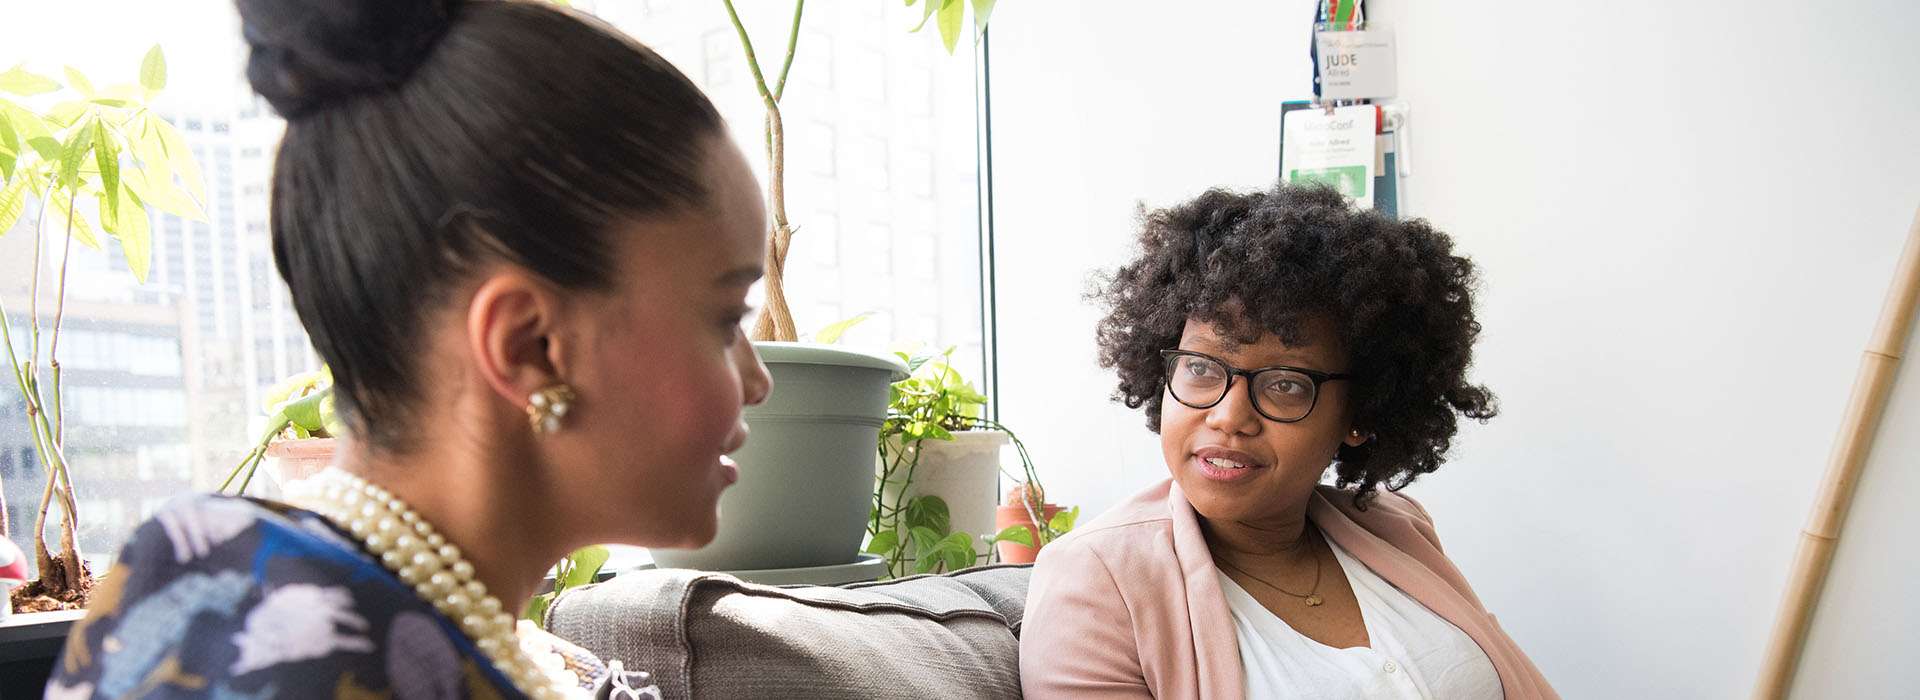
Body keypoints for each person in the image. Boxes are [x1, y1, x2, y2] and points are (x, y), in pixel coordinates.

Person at [48, 0, 771, 697]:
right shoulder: (333, 666)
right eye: (727, 317)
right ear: (532, 346)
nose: (758, 379)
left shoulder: (187, 573)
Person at [1019, 184, 1558, 699]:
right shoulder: (1095, 583)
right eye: (1202, 368)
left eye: (1285, 385)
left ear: (1361, 413)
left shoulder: (1397, 526)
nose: (1230, 417)